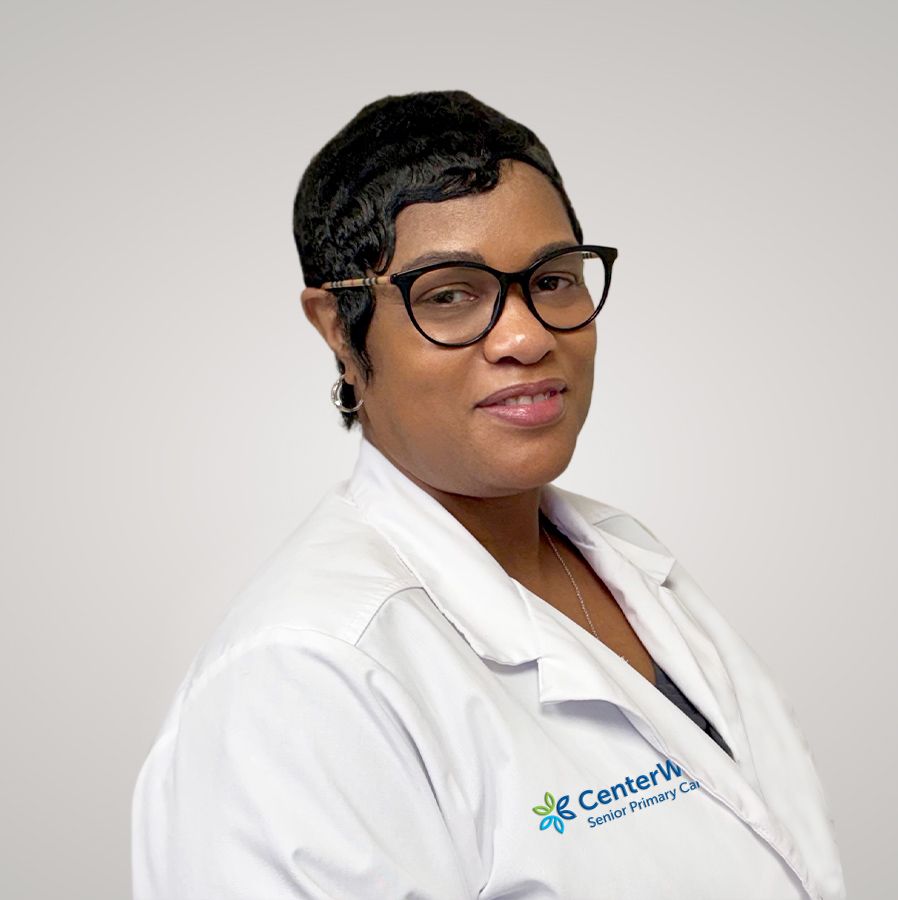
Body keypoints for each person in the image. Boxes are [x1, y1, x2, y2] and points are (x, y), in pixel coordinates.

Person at [131, 90, 846, 899]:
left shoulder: (628, 557)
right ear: (337, 326)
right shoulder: (303, 677)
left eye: (553, 278)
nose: (527, 336)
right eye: (450, 293)